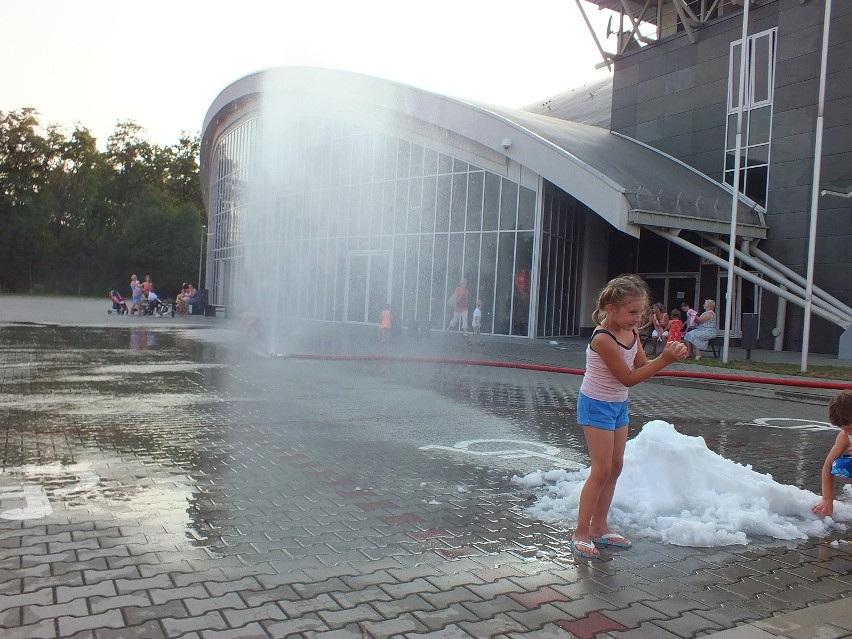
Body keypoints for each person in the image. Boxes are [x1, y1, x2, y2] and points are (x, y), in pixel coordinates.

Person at [571, 274, 688, 560]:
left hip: (617, 405)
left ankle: (600, 527)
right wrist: (665, 360)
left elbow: (640, 365)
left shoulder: (631, 333)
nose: (638, 318)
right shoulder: (603, 338)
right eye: (632, 312)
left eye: (641, 312)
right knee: (600, 470)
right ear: (611, 309)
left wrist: (669, 354)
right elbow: (627, 378)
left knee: (615, 466)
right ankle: (581, 532)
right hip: (596, 404)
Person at [812, 390, 852, 518]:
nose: (848, 433)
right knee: (840, 465)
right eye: (844, 429)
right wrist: (827, 499)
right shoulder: (845, 436)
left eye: (851, 429)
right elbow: (828, 466)